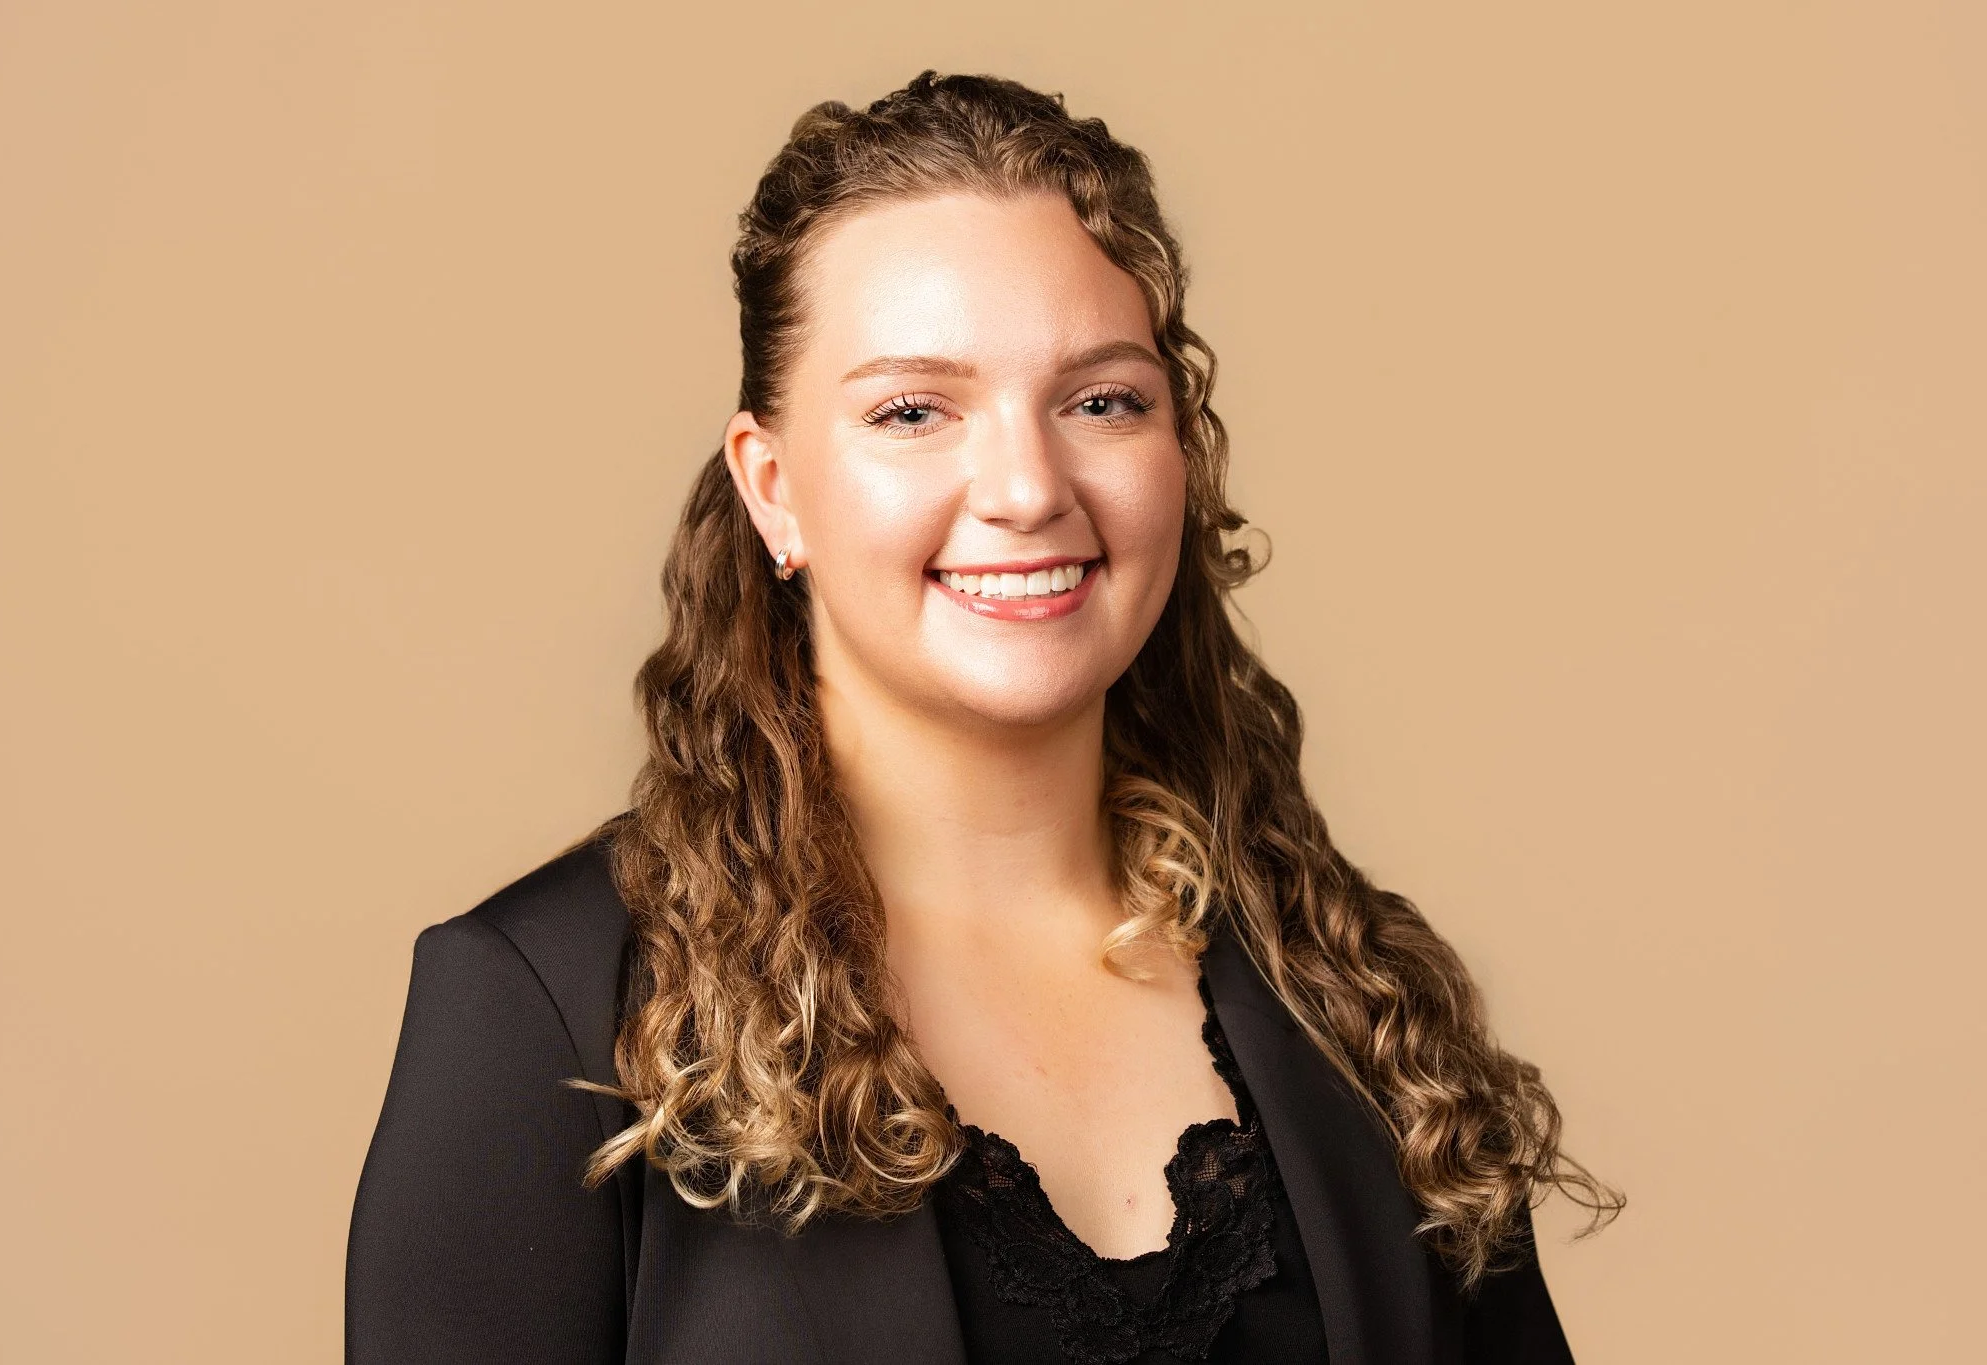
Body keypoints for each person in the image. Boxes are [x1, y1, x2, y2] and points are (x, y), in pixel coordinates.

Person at [345, 70, 1622, 1365]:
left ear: (1182, 451)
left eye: (1101, 400)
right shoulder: (542, 1013)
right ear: (772, 489)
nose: (1025, 487)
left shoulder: (1345, 989)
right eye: (914, 411)